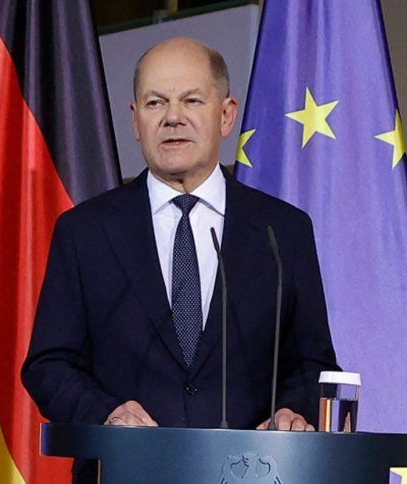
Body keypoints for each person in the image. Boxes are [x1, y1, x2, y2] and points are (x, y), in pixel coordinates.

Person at [22, 35, 337, 451]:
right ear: (135, 121)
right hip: (124, 471)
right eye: (155, 103)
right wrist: (106, 413)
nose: (173, 117)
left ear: (226, 116)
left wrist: (292, 412)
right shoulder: (84, 231)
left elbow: (313, 363)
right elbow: (49, 364)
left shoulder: (283, 231)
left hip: (250, 471)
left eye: (191, 101)